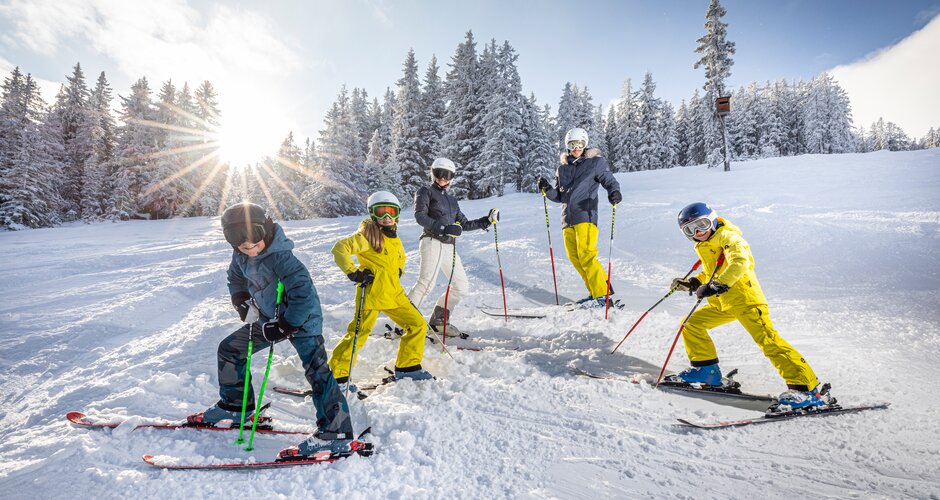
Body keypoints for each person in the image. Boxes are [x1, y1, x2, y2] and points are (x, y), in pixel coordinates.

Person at [187, 202, 359, 459]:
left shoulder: (283, 258)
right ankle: (237, 406)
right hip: (268, 320)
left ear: (265, 230)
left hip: (302, 320)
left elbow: (303, 296)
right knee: (230, 349)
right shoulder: (241, 255)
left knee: (317, 370)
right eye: (237, 239)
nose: (248, 245)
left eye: (254, 237)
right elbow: (235, 279)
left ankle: (336, 432)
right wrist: (242, 301)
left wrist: (285, 326)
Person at [667, 202, 833, 412]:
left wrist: (718, 285)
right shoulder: (707, 244)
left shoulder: (729, 237)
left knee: (769, 341)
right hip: (723, 303)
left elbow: (739, 262)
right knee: (691, 323)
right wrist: (694, 283)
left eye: (702, 224)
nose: (698, 232)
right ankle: (706, 371)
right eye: (690, 230)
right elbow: (713, 272)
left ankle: (807, 390)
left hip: (745, 300)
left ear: (714, 219)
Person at [328, 191, 434, 382]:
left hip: (394, 295)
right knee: (358, 335)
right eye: (381, 212)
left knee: (417, 324)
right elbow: (340, 248)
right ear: (372, 214)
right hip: (372, 295)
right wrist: (354, 272)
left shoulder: (394, 237)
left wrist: (398, 270)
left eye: (391, 212)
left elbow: (400, 256)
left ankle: (408, 366)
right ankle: (337, 376)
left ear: (397, 215)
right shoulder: (367, 236)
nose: (386, 217)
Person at [408, 157, 499, 337]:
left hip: (448, 246)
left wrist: (486, 221)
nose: (443, 178)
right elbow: (420, 216)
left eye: (448, 175)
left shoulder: (452, 200)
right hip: (432, 241)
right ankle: (405, 323)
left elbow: (463, 224)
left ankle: (439, 321)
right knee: (426, 283)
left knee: (461, 286)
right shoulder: (425, 191)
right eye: (440, 174)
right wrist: (443, 228)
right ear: (433, 173)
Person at [537, 127, 622, 307]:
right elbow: (560, 197)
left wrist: (614, 192)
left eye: (580, 144)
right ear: (567, 146)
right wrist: (548, 190)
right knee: (575, 258)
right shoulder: (562, 169)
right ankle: (595, 293)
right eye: (572, 144)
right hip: (567, 219)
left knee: (587, 256)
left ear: (585, 144)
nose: (576, 148)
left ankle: (603, 297)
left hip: (586, 214)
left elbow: (609, 180)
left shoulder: (595, 162)